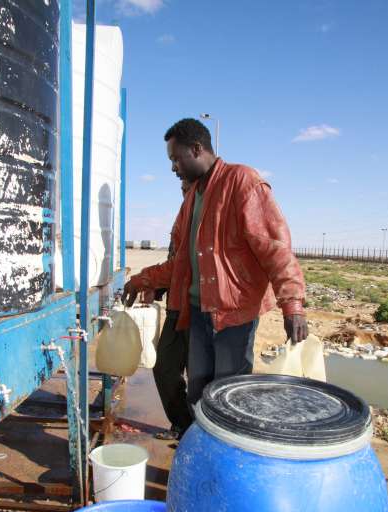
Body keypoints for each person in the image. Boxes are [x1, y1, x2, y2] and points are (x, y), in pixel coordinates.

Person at [122, 118, 308, 415]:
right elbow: (181, 264)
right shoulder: (191, 198)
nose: (173, 167)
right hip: (198, 312)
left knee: (229, 396)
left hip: (234, 314)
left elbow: (274, 247)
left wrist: (293, 305)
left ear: (197, 149)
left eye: (176, 158)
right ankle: (196, 439)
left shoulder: (241, 181)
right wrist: (144, 280)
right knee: (198, 390)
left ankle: (224, 442)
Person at [152, 179, 192, 441]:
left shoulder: (210, 218)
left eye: (190, 188)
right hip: (176, 308)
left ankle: (198, 434)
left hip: (203, 313)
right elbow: (174, 264)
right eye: (183, 189)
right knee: (164, 367)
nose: (185, 192)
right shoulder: (180, 220)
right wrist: (158, 287)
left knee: (200, 377)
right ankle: (181, 423)